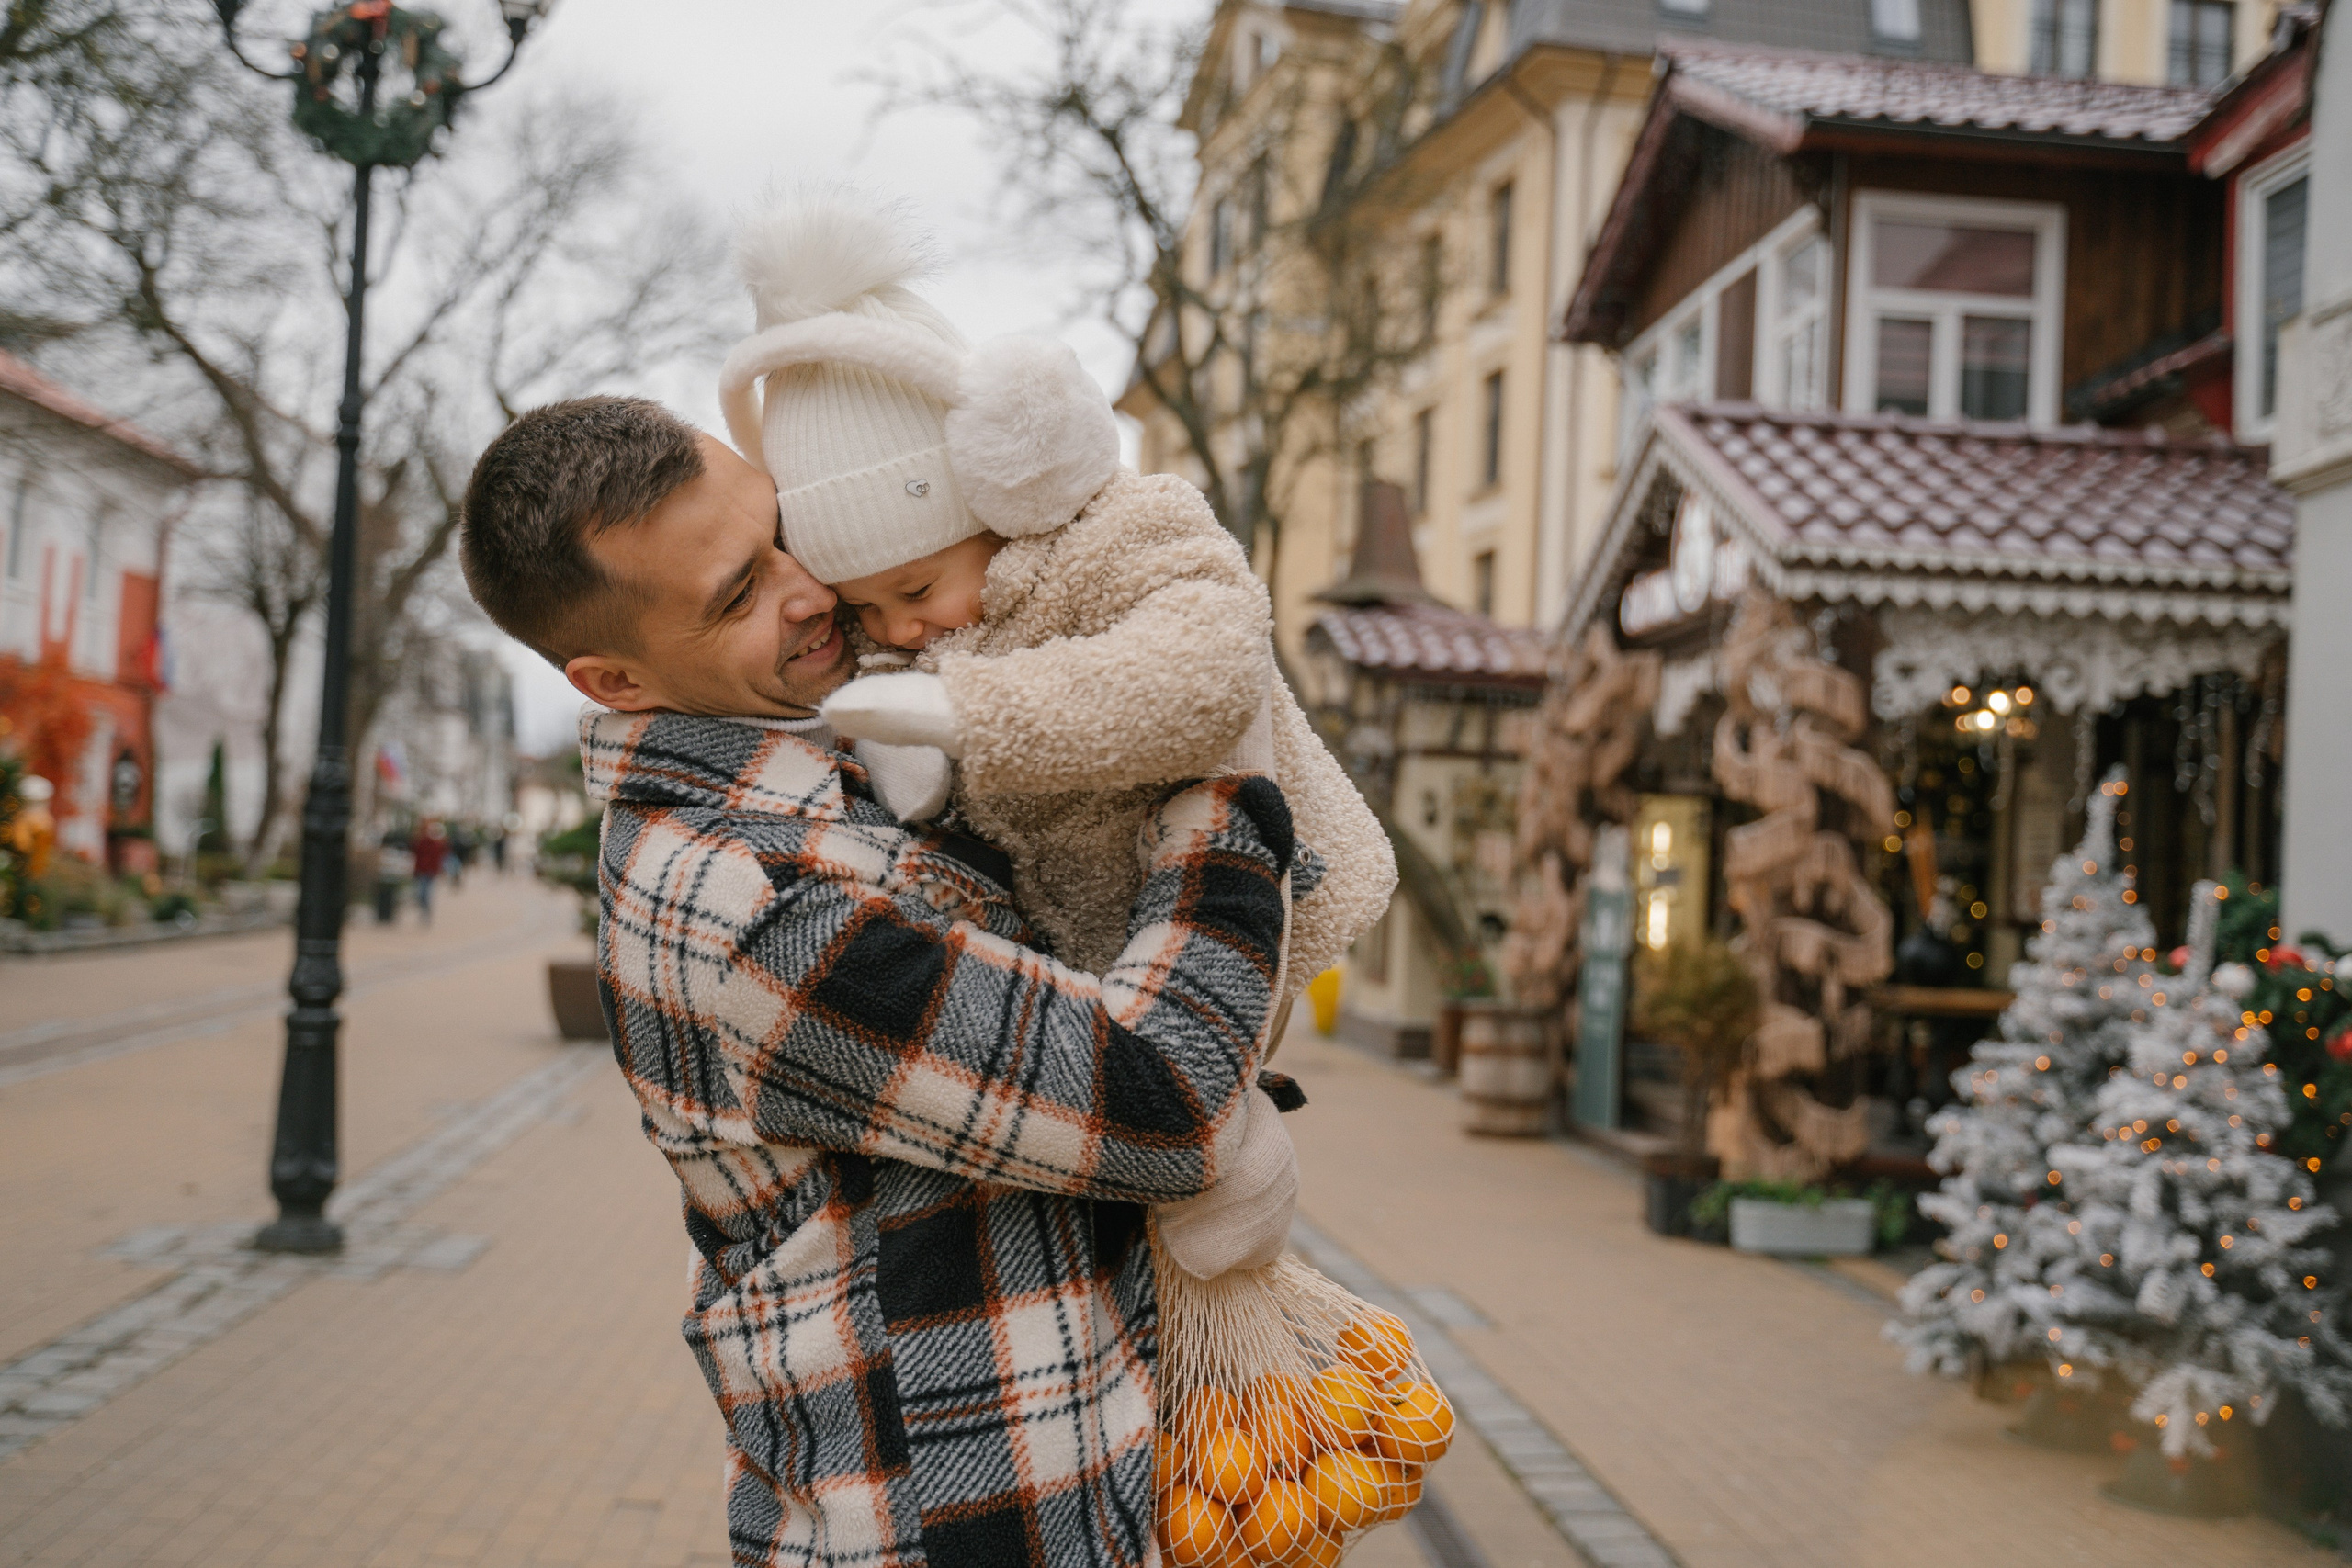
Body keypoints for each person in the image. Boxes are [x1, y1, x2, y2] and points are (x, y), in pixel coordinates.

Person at [458, 395, 1303, 1568]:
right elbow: (1164, 1103)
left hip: (1066, 1495)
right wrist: (1225, 790)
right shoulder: (750, 905)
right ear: (615, 681)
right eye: (737, 596)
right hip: (951, 1533)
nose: (810, 590)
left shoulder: (840, 770)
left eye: (778, 537)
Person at [714, 188, 1395, 995]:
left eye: (916, 587)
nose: (893, 627)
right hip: (1101, 961)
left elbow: (1204, 668)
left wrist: (972, 711)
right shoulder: (904, 631)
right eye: (862, 605)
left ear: (1006, 498)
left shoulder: (1130, 529)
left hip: (1262, 899)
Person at [408, 820, 447, 925]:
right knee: (420, 894)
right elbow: (415, 852)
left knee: (426, 893)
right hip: (421, 871)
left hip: (430, 872)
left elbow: (440, 858)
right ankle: (423, 911)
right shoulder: (421, 842)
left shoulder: (437, 844)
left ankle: (426, 912)